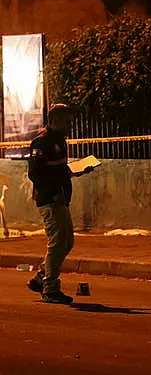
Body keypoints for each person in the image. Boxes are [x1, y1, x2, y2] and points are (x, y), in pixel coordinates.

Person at [27, 104, 93, 304]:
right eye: (67, 121)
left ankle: (42, 277)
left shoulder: (59, 141)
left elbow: (59, 170)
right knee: (57, 243)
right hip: (50, 199)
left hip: (61, 198)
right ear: (54, 119)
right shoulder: (41, 142)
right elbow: (35, 173)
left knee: (67, 242)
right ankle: (50, 288)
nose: (69, 126)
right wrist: (53, 192)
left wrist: (75, 171)